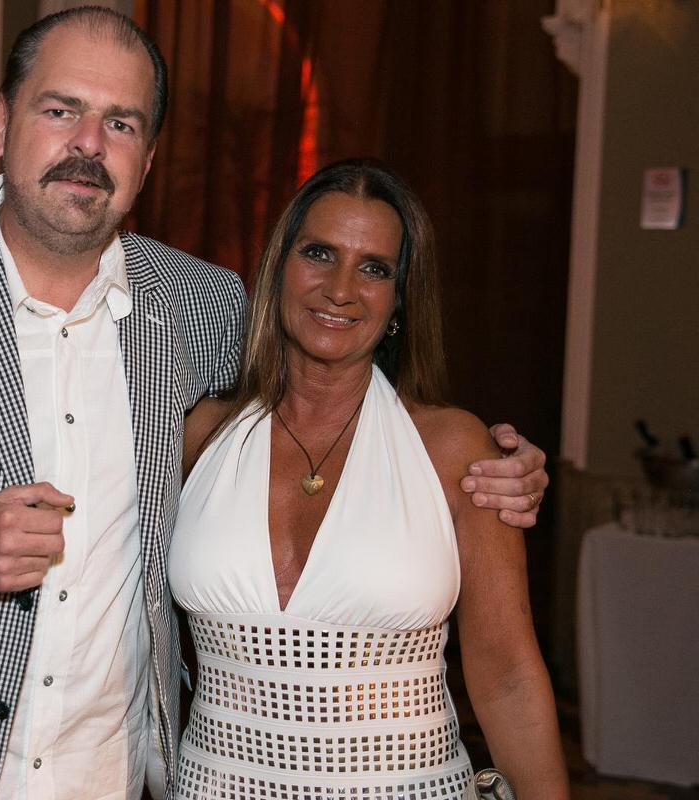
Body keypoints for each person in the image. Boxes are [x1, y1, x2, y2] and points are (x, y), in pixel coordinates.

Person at [0, 9, 549, 799]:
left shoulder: (202, 306)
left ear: (146, 159)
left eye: (120, 123)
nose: (88, 144)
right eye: (61, 110)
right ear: (2, 123)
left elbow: (324, 396)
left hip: (114, 774)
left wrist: (501, 469)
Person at [171, 160, 568, 798]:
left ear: (400, 298)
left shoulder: (453, 448)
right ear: (278, 267)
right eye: (319, 253)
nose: (341, 289)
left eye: (375, 268)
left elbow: (508, 675)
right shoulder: (199, 435)